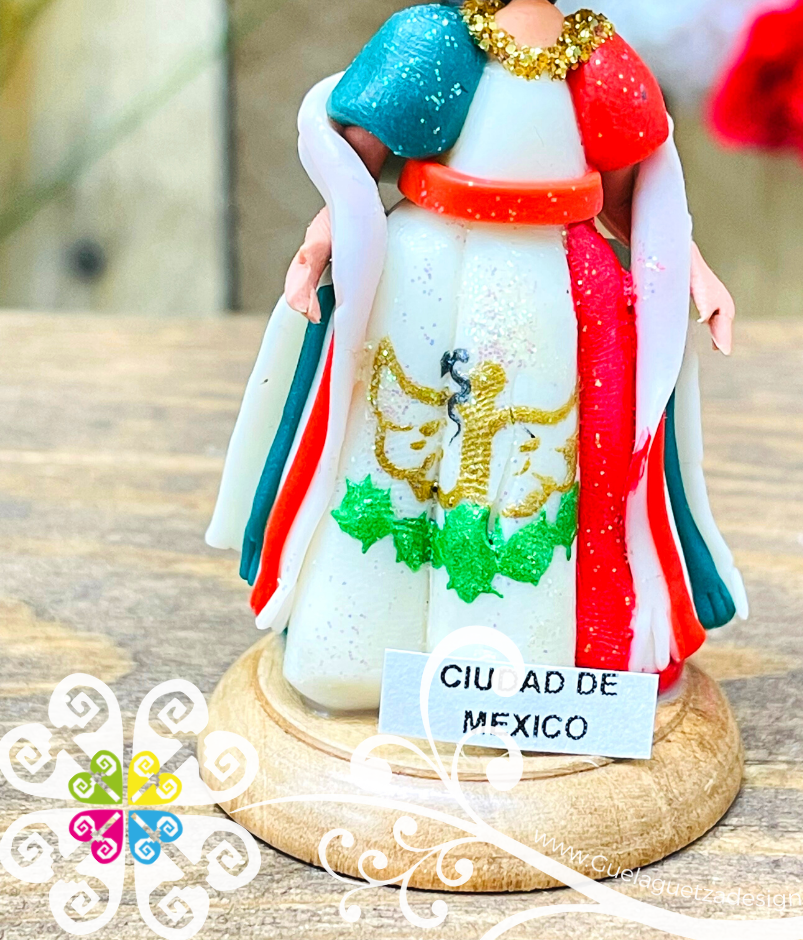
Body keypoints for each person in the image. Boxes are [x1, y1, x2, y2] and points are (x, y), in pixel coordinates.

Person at [207, 0, 748, 712]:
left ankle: (508, 680)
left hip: (554, 285)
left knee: (530, 473)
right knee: (398, 457)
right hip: (427, 272)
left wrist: (694, 274)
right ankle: (362, 652)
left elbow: (633, 204)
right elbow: (354, 170)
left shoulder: (599, 60)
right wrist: (317, 247)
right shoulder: (436, 42)